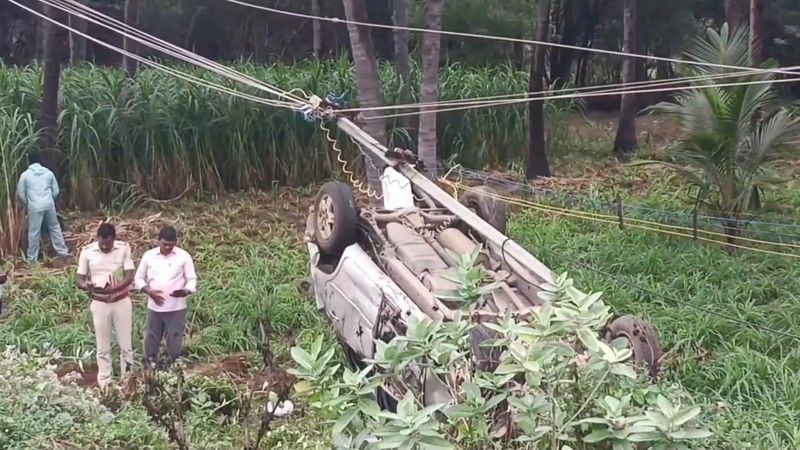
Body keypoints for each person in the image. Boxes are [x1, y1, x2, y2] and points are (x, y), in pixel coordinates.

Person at [76, 223, 135, 392]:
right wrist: (86, 285)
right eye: (102, 244)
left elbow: (129, 276)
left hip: (121, 300)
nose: (104, 247)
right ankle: (104, 381)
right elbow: (79, 278)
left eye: (108, 244)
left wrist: (114, 289)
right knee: (102, 345)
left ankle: (127, 380)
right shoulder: (87, 251)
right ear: (97, 239)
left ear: (114, 239)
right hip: (100, 302)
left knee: (126, 345)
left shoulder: (124, 249)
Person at [135, 226, 197, 368]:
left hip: (176, 307)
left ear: (176, 242)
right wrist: (149, 291)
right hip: (154, 307)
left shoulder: (184, 256)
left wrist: (186, 291)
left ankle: (174, 366)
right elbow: (138, 279)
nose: (168, 247)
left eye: (171, 244)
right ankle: (150, 364)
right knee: (152, 336)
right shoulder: (149, 256)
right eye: (164, 244)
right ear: (158, 241)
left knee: (174, 335)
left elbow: (192, 279)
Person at [16, 152, 69, 263]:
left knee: (34, 232)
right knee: (54, 228)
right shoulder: (48, 173)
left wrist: (28, 203)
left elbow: (21, 193)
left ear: (29, 162)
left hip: (34, 207)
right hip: (49, 205)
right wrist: (49, 199)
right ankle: (63, 252)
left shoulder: (25, 175)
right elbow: (56, 191)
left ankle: (32, 259)